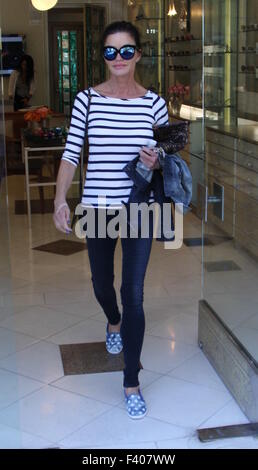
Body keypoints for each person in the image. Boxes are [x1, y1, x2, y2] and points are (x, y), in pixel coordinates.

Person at [53, 21, 169, 419]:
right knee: (102, 284)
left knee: (133, 291)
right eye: (109, 51)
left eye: (125, 51)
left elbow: (165, 157)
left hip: (138, 207)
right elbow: (71, 154)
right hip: (97, 207)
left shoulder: (154, 103)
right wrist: (59, 200)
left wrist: (156, 161)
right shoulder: (87, 100)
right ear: (103, 56)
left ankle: (131, 379)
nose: (117, 59)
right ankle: (113, 322)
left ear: (137, 54)